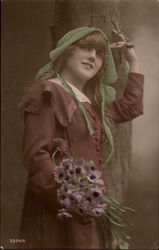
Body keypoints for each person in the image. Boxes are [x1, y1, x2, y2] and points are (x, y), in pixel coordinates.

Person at [18, 26, 144, 249]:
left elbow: (130, 108)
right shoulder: (49, 91)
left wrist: (133, 61)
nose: (92, 57)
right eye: (86, 48)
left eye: (99, 54)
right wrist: (72, 196)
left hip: (85, 212)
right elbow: (36, 156)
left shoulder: (90, 105)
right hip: (58, 210)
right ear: (67, 51)